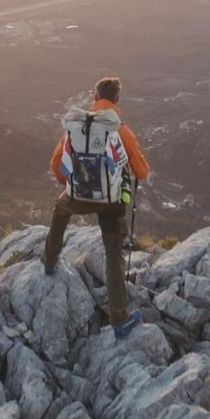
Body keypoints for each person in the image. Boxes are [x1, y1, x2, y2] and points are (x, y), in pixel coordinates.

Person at [44, 76, 150, 338]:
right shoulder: (120, 130)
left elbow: (56, 163)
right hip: (111, 201)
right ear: (116, 100)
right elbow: (142, 171)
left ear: (94, 97)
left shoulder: (77, 127)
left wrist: (70, 185)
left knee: (60, 209)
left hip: (79, 194)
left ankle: (49, 260)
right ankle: (119, 318)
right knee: (113, 252)